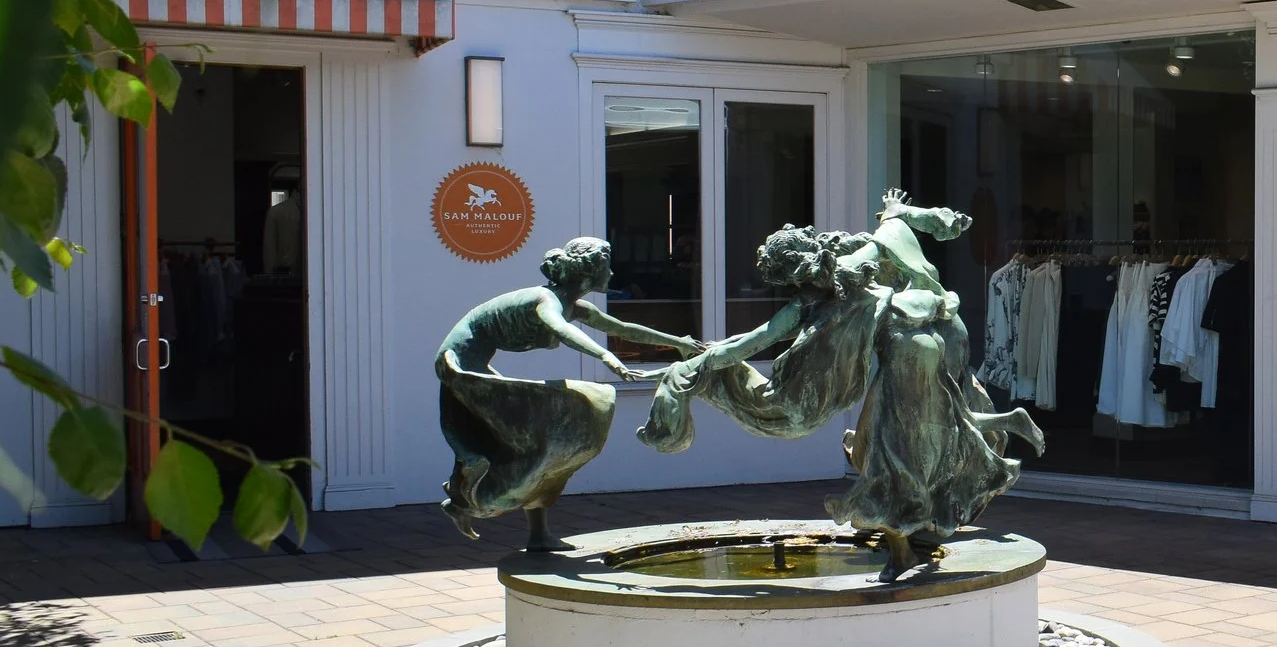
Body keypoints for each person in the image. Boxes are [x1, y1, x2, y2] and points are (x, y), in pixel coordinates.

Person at [640, 192, 1043, 577]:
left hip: (908, 350)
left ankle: (901, 549)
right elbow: (898, 229)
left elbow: (750, 343)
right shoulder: (855, 261)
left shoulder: (806, 305)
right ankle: (996, 435)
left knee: (889, 453)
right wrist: (902, 211)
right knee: (926, 429)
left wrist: (696, 366)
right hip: (942, 330)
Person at [437, 237, 693, 549]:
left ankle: (536, 533)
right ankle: (466, 501)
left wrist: (678, 342)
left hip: (474, 362)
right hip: (460, 363)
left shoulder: (574, 305)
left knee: (545, 443)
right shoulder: (546, 300)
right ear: (589, 272)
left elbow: (622, 328)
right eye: (607, 267)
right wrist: (605, 356)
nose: (612, 274)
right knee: (537, 440)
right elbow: (560, 328)